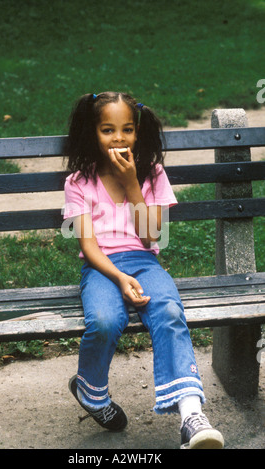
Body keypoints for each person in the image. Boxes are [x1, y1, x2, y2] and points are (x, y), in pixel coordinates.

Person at [63, 91, 224, 449]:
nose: (119, 138)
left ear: (138, 132)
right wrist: (119, 278)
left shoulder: (152, 175)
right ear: (93, 133)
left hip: (145, 261)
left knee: (168, 311)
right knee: (104, 320)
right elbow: (88, 248)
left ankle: (191, 416)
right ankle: (91, 392)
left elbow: (154, 235)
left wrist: (133, 183)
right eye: (108, 130)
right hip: (101, 268)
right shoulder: (78, 182)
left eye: (127, 130)